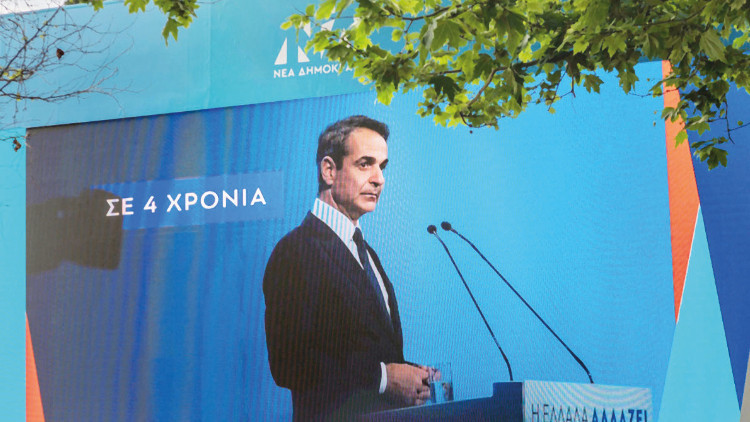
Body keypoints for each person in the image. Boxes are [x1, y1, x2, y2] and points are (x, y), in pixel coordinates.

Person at [264, 115, 430, 420]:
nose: (379, 179)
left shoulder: (368, 255)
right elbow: (288, 363)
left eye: (382, 166)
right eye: (365, 164)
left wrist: (410, 376)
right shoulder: (296, 250)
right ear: (329, 170)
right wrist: (384, 378)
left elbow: (368, 352)